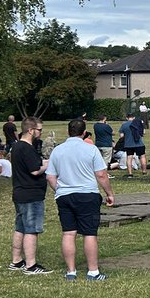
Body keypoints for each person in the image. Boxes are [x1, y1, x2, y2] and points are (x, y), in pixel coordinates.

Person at [47, 117, 114, 282]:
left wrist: (60, 189)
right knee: (89, 233)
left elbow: (50, 176)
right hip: (87, 194)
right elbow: (101, 174)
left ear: (68, 132)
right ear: (84, 133)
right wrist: (109, 193)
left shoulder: (57, 150)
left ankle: (71, 271)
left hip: (64, 196)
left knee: (68, 233)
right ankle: (93, 271)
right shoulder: (91, 149)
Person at [9, 117, 50, 274]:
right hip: (30, 194)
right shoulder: (26, 148)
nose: (40, 133)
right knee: (31, 229)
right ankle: (31, 265)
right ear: (31, 130)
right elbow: (34, 170)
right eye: (39, 130)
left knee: (20, 227)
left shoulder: (16, 146)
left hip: (20, 192)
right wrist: (47, 165)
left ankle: (17, 260)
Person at [119, 112, 146, 177]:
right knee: (142, 157)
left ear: (126, 118)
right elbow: (143, 133)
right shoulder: (138, 123)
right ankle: (144, 171)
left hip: (128, 144)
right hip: (139, 143)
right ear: (134, 117)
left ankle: (130, 173)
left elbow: (121, 136)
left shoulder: (124, 125)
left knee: (129, 158)